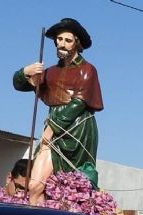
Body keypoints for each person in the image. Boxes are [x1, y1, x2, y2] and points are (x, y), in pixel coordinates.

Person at [13, 18, 103, 204]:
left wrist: (51, 128)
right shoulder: (50, 72)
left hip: (77, 128)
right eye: (59, 39)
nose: (62, 44)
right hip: (54, 126)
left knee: (73, 186)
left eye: (67, 40)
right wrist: (27, 72)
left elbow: (78, 103)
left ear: (76, 43)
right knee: (35, 185)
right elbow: (19, 84)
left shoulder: (87, 69)